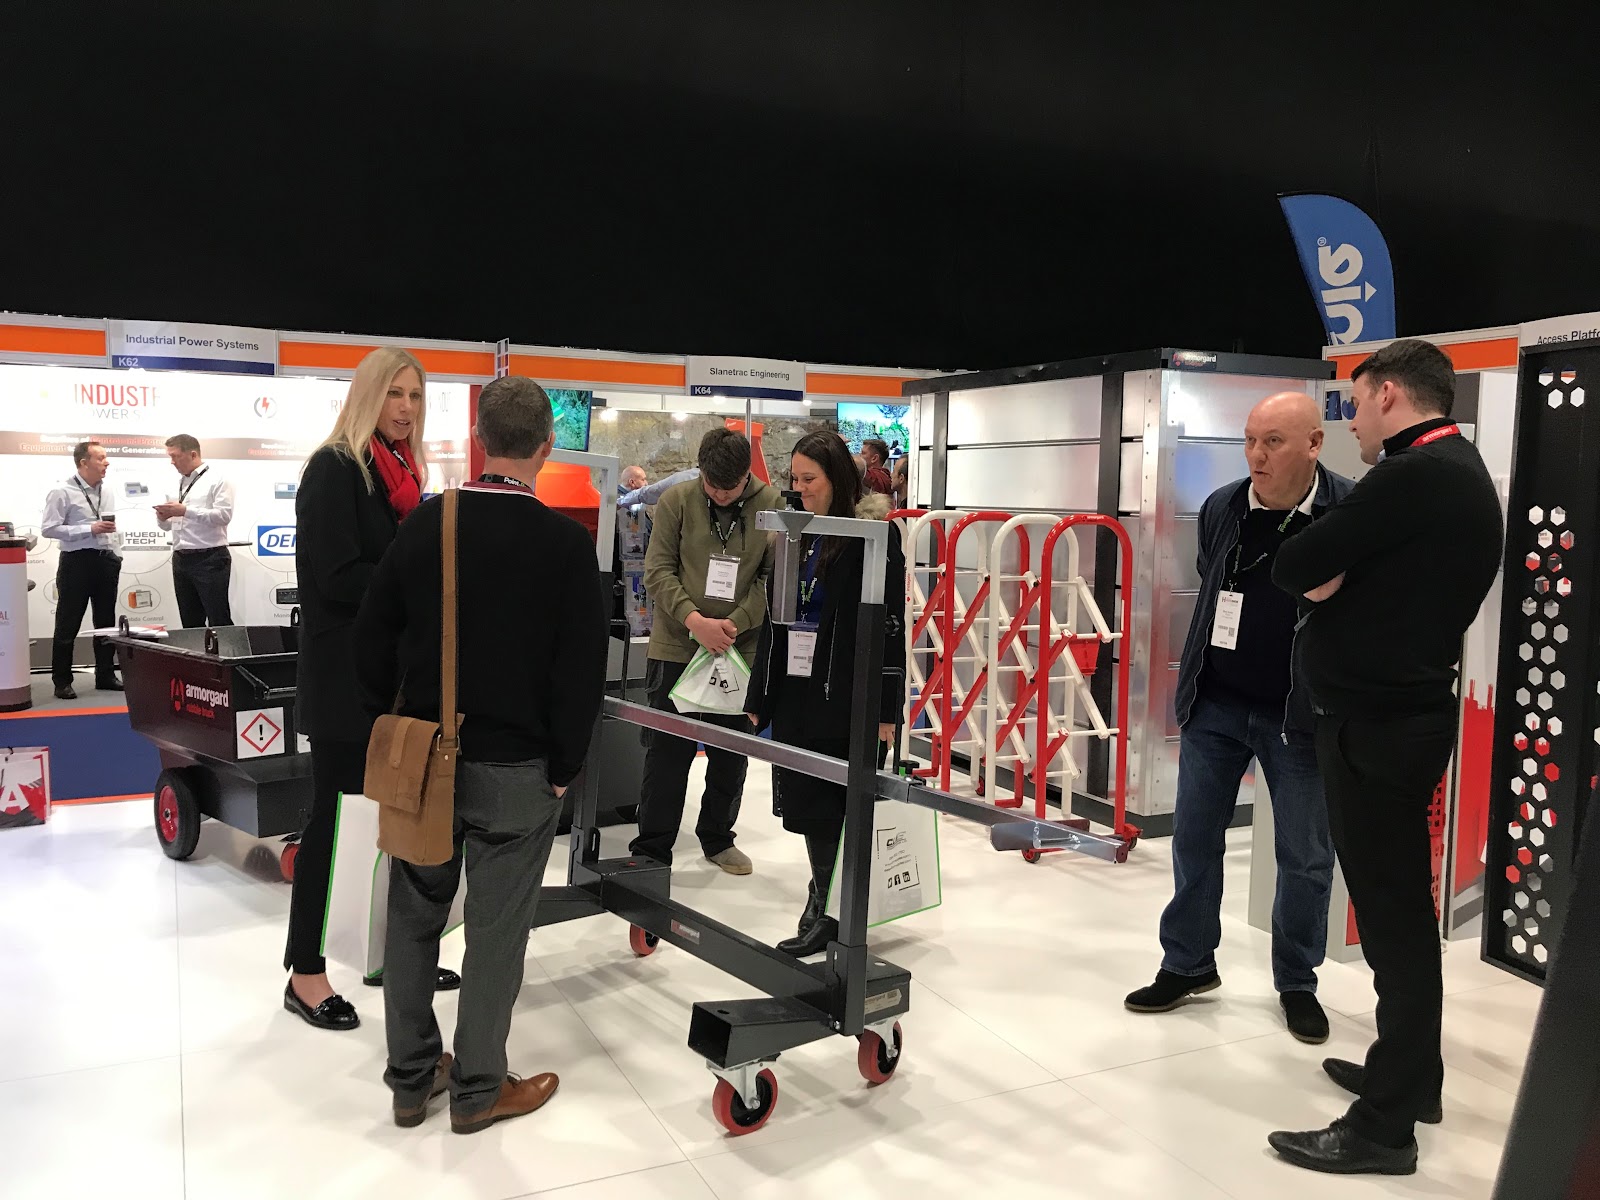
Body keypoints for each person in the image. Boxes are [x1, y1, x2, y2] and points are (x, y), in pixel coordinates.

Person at [1268, 340, 1502, 1176]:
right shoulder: (1455, 471)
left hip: (1375, 727)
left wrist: (1330, 570)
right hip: (1395, 719)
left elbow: (1296, 563)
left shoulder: (1412, 475)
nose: (1352, 423)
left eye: (1357, 406)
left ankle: (1383, 1126)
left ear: (1392, 395)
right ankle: (1414, 1078)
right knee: (1402, 913)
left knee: (1395, 920)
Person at [355, 375, 607, 1134]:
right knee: (497, 931)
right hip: (518, 769)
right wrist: (565, 764)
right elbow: (581, 669)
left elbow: (372, 636)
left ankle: (409, 1079)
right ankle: (478, 1090)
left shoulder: (429, 524)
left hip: (426, 759)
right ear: (546, 445)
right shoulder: (565, 544)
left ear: (478, 442)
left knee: (412, 915)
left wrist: (391, 721)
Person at [1124, 392, 1352, 1043]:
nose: (1257, 455)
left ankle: (1297, 982)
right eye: (1250, 440)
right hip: (1217, 704)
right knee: (1195, 841)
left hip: (1299, 717)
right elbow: (1212, 577)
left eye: (1273, 442)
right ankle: (1188, 964)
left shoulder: (1346, 513)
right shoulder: (1225, 505)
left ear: (1313, 444)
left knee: (1305, 858)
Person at [283, 347, 459, 1033]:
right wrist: (415, 578)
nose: (407, 409)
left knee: (392, 828)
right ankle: (305, 971)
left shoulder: (406, 476)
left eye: (416, 396)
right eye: (395, 394)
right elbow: (336, 578)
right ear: (367, 397)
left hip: (392, 684)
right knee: (330, 831)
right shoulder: (334, 470)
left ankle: (391, 955)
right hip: (342, 688)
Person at [745, 431, 906, 956]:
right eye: (793, 478)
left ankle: (827, 908)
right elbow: (777, 615)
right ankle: (824, 898)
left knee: (837, 804)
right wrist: (759, 694)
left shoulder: (875, 534)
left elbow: (891, 628)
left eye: (808, 479)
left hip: (846, 696)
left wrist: (887, 708)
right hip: (798, 691)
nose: (799, 488)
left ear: (837, 477)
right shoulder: (797, 531)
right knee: (809, 803)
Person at [629, 428, 781, 873]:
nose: (716, 494)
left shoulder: (770, 505)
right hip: (677, 646)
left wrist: (734, 624)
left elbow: (771, 579)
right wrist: (696, 622)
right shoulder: (677, 500)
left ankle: (717, 839)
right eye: (709, 485)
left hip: (739, 649)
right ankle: (652, 848)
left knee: (730, 754)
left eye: (727, 488)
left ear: (745, 477)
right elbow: (656, 571)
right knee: (666, 753)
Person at [41, 440, 121, 700]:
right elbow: (48, 528)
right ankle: (62, 680)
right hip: (76, 562)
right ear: (83, 462)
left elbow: (108, 525)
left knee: (106, 623)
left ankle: (106, 675)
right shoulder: (61, 492)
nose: (106, 462)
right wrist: (88, 528)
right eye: (100, 458)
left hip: (105, 560)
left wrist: (115, 555)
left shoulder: (106, 490)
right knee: (67, 623)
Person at [155, 434, 236, 627]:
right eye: (170, 457)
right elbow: (168, 526)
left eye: (175, 456)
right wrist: (162, 517)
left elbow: (224, 516)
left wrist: (185, 511)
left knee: (219, 619)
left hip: (210, 558)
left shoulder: (218, 479)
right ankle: (195, 658)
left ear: (192, 454)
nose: (172, 462)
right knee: (189, 622)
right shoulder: (175, 483)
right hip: (181, 557)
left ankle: (227, 656)